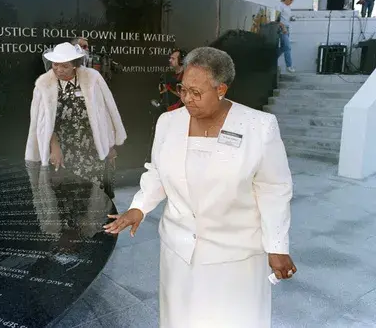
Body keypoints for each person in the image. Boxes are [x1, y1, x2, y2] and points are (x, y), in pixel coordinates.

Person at [104, 46, 297, 327]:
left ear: (221, 90)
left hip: (235, 257)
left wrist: (277, 245)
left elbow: (274, 188)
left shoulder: (259, 126)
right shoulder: (168, 122)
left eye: (197, 93)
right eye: (183, 89)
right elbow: (158, 171)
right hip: (179, 254)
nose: (187, 99)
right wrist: (139, 208)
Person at [25, 42, 127, 199]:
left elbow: (106, 113)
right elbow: (41, 123)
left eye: (64, 66)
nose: (59, 69)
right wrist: (54, 146)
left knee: (93, 196)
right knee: (65, 196)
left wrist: (110, 145)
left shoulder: (92, 79)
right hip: (62, 152)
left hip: (91, 150)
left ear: (74, 65)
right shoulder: (44, 85)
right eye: (55, 65)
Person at [276, 0, 297, 73]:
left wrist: (291, 18)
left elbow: (286, 17)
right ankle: (289, 66)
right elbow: (277, 19)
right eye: (291, 0)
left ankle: (271, 57)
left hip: (287, 28)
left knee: (283, 48)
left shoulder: (288, 7)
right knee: (287, 47)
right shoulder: (279, 6)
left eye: (292, 0)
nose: (291, 2)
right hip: (282, 28)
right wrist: (283, 27)